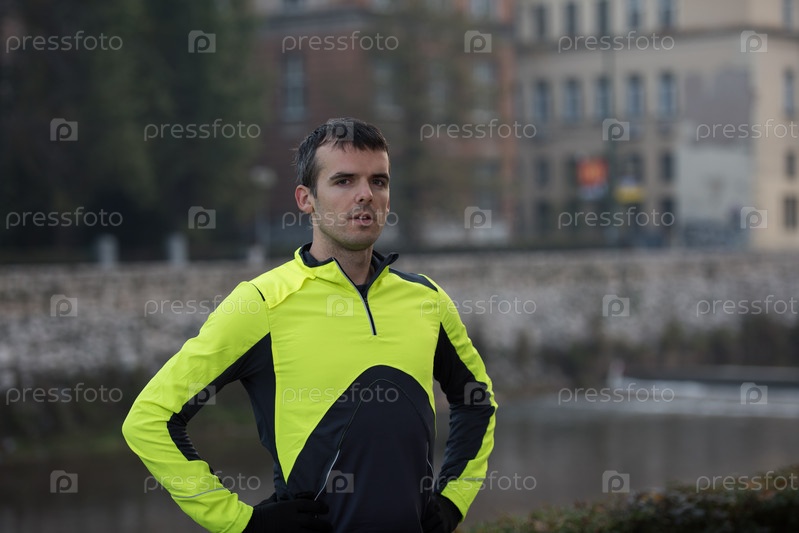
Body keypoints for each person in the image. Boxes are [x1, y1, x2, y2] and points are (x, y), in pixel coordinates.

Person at [122, 117, 497, 532]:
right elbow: (150, 420)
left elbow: (477, 401)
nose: (365, 195)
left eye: (378, 181)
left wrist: (452, 501)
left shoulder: (427, 299)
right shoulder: (262, 303)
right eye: (343, 181)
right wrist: (241, 522)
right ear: (306, 199)